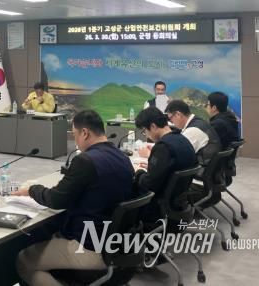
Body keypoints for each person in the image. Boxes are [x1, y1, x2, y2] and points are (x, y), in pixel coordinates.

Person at [12, 110, 134, 285]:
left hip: (90, 247)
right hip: (117, 243)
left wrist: (32, 190)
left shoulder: (86, 160)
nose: (75, 141)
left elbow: (56, 200)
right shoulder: (123, 157)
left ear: (85, 133)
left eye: (75, 134)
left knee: (24, 261)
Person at [133, 107, 196, 222]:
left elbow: (149, 184)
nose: (146, 135)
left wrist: (138, 173)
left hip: (159, 207)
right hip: (179, 200)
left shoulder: (163, 147)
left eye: (144, 131)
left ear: (153, 126)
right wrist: (153, 168)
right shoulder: (183, 140)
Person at [165, 100, 220, 166]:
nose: (171, 122)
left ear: (178, 114)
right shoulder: (198, 121)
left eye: (170, 118)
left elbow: (178, 155)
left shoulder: (192, 131)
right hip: (209, 166)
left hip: (202, 169)